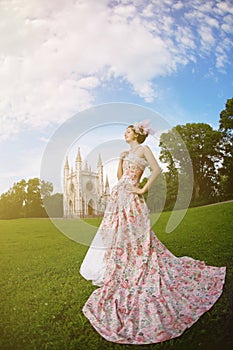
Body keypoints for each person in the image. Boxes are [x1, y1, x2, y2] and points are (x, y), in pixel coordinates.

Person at [80, 120, 226, 345]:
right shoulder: (126, 153)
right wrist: (119, 160)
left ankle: (140, 261)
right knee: (118, 233)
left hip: (132, 195)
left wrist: (142, 189)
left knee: (138, 234)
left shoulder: (144, 149)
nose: (125, 133)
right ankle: (123, 263)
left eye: (129, 130)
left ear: (137, 134)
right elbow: (120, 177)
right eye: (126, 131)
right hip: (119, 194)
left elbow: (156, 169)